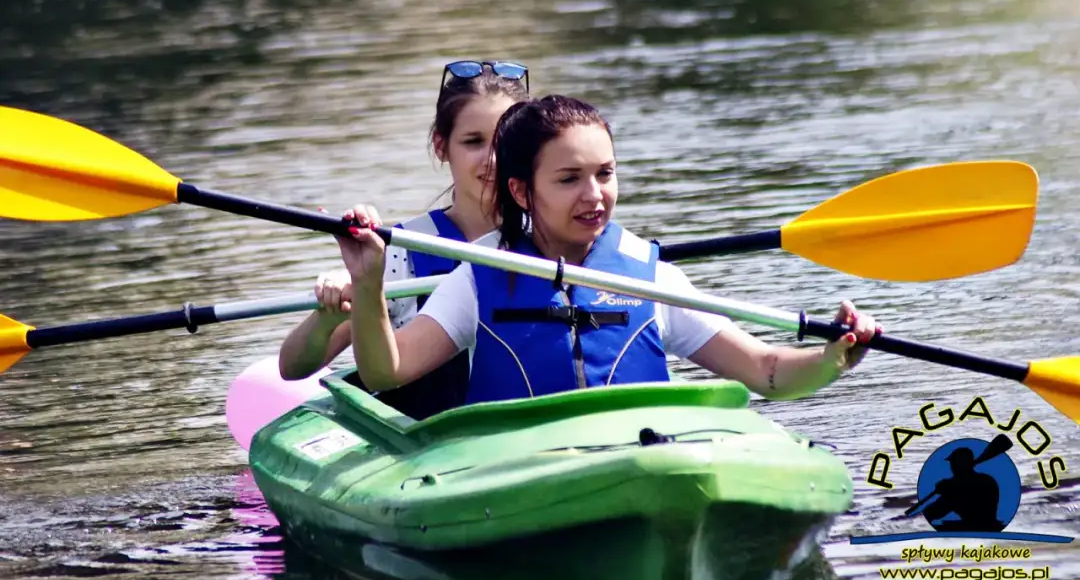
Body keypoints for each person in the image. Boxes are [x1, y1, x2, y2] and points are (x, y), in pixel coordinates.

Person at [333, 95, 883, 405]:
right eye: (569, 179)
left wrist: (832, 358)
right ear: (522, 191)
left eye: (605, 173)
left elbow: (765, 371)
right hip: (514, 470)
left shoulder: (647, 275)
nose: (594, 195)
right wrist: (368, 281)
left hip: (637, 458)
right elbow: (387, 372)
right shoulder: (479, 276)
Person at [277, 60, 529, 419]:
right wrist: (329, 314)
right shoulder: (400, 252)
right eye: (473, 141)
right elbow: (291, 368)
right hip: (422, 436)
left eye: (504, 142)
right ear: (441, 146)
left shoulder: (550, 241)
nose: (492, 158)